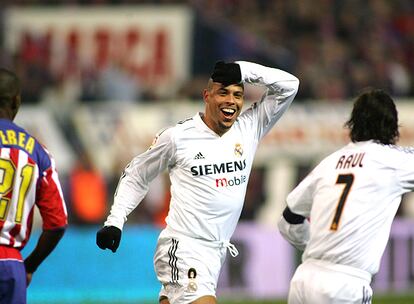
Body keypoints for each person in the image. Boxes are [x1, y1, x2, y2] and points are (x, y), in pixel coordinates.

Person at [96, 60, 299, 304]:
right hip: (184, 248)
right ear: (207, 96)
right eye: (223, 93)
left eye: (238, 95)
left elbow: (290, 85)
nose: (231, 101)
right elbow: (138, 173)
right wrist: (115, 221)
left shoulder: (249, 128)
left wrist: (244, 71)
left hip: (215, 252)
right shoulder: (178, 137)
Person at [277, 88, 414, 304]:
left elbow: (288, 219)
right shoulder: (394, 161)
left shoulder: (329, 162)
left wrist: (319, 245)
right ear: (392, 126)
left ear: (353, 123)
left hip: (304, 279)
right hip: (344, 285)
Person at [0, 68, 67, 303]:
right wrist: (29, 265)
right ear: (17, 101)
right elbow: (57, 224)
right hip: (12, 266)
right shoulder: (38, 152)